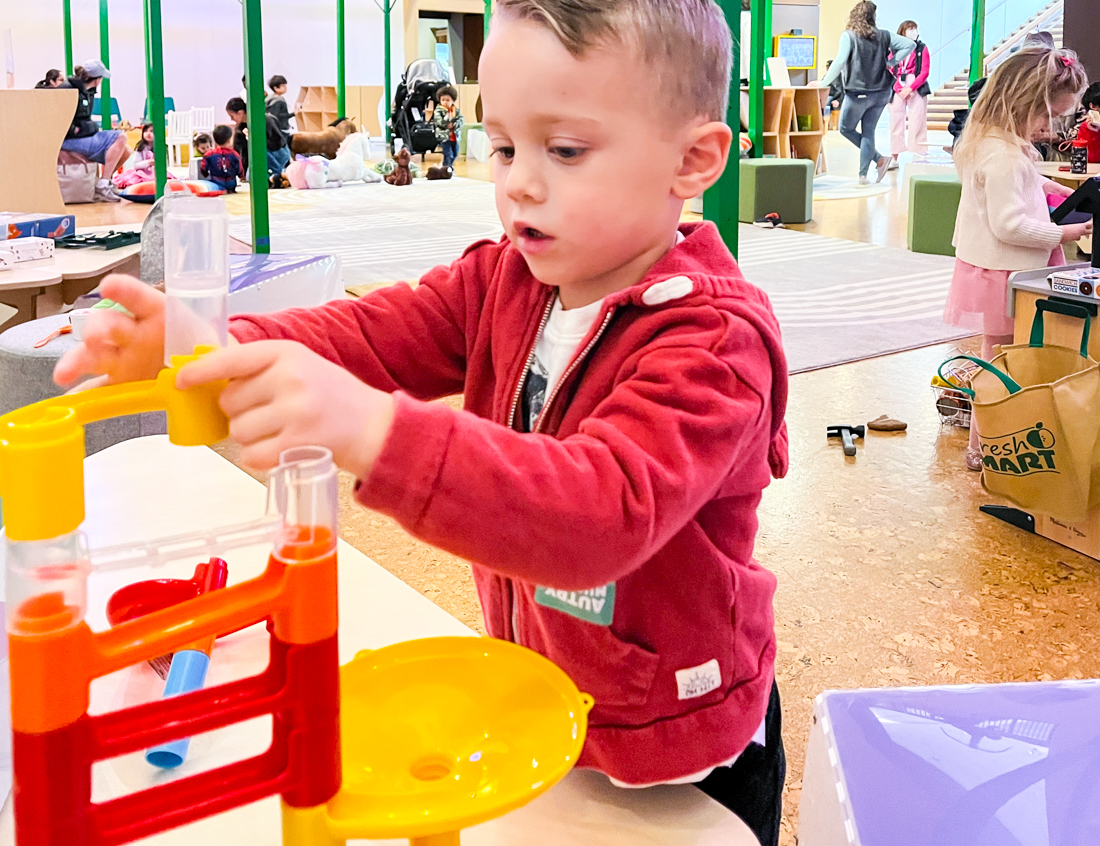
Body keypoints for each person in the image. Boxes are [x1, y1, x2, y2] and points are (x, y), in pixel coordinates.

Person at [55, 0, 790, 843]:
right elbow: (367, 334)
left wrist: (377, 432)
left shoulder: (715, 339)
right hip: (547, 703)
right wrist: (209, 347)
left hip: (685, 749)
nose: (518, 181)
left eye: (566, 150)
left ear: (693, 161)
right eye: (504, 145)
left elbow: (602, 511)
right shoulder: (505, 281)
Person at [945, 48, 1091, 471]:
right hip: (1009, 273)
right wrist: (1066, 232)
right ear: (1022, 105)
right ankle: (990, 444)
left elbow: (1016, 181)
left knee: (999, 358)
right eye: (1047, 119)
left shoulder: (990, 142)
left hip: (998, 269)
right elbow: (1008, 224)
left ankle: (986, 443)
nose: (1050, 129)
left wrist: (1052, 189)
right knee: (1008, 362)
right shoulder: (1005, 156)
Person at [818, 1, 914, 185]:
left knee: (846, 129)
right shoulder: (884, 36)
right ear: (872, 17)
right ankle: (865, 174)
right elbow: (909, 45)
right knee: (868, 132)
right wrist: (893, 62)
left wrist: (823, 83)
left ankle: (878, 159)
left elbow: (838, 63)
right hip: (882, 93)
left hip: (858, 93)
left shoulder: (849, 36)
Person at [59, 60, 131, 202]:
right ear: (97, 80)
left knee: (126, 150)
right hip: (69, 139)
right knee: (120, 137)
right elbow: (65, 120)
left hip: (81, 135)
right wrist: (82, 128)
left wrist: (87, 127)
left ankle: (105, 183)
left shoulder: (87, 92)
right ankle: (103, 184)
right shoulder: (70, 91)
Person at [887, 20, 930, 160]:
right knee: (895, 121)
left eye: (915, 29)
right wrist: (899, 89)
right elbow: (889, 70)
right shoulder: (893, 49)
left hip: (916, 84)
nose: (913, 32)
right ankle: (894, 157)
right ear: (902, 31)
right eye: (910, 29)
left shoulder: (922, 48)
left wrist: (911, 87)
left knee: (918, 120)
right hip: (897, 84)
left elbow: (924, 71)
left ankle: (918, 154)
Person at [113, 122, 157, 189]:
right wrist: (149, 162)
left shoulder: (159, 147)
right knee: (134, 180)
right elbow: (136, 165)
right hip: (141, 172)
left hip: (154, 172)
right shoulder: (140, 147)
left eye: (152, 131)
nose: (148, 133)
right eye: (145, 131)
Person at [200, 125, 244, 193]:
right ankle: (230, 190)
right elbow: (240, 169)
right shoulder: (235, 154)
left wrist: (205, 175)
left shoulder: (208, 155)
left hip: (216, 181)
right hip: (231, 183)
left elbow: (203, 168)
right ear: (229, 140)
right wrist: (241, 176)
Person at [432, 85, 465, 168]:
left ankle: (445, 166)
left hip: (455, 136)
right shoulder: (438, 111)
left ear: (453, 101)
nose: (445, 102)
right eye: (443, 100)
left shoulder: (455, 111)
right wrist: (447, 118)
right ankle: (448, 168)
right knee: (448, 154)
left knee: (455, 153)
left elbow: (461, 120)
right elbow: (439, 122)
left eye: (448, 100)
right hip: (444, 137)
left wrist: (454, 125)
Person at [266, 74, 293, 143]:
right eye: (283, 86)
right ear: (276, 88)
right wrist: (293, 113)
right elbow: (278, 116)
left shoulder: (270, 99)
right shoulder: (278, 101)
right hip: (280, 131)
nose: (285, 88)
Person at [826, 60, 844, 131]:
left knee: (825, 102)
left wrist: (837, 100)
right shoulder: (828, 75)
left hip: (835, 97)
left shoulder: (837, 76)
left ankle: (825, 124)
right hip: (828, 95)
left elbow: (839, 90)